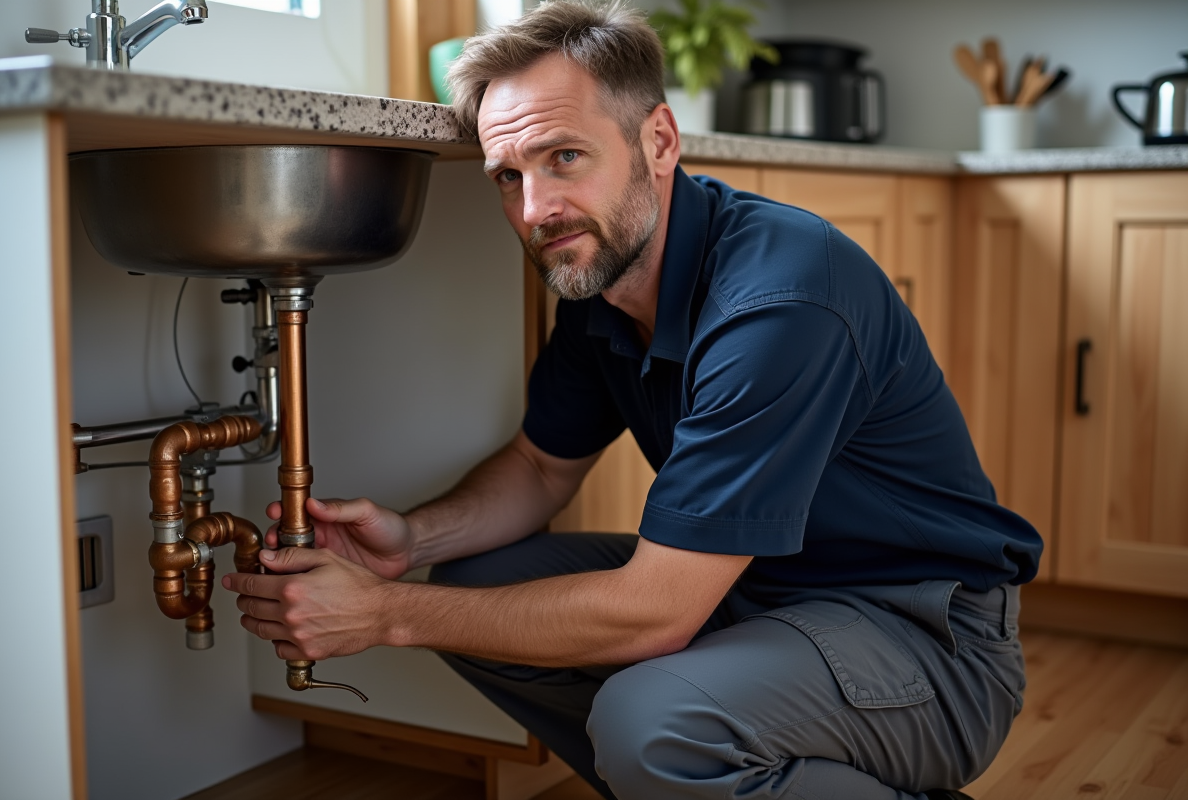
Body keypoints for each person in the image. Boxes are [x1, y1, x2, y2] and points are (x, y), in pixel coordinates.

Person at [222, 3, 1042, 798]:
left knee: (650, 723)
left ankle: (684, 762)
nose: (535, 211)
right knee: (475, 585)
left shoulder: (780, 303)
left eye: (564, 157)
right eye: (509, 176)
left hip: (924, 640)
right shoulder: (604, 282)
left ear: (659, 141)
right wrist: (409, 541)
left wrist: (383, 614)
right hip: (753, 594)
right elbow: (541, 467)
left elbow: (655, 613)